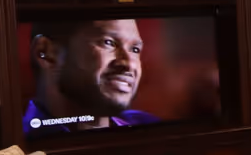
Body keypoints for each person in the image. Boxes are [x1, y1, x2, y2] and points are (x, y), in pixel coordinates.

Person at [24, 18, 161, 134]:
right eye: (108, 43)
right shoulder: (15, 152)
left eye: (135, 49)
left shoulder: (150, 127)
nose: (129, 64)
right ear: (46, 53)